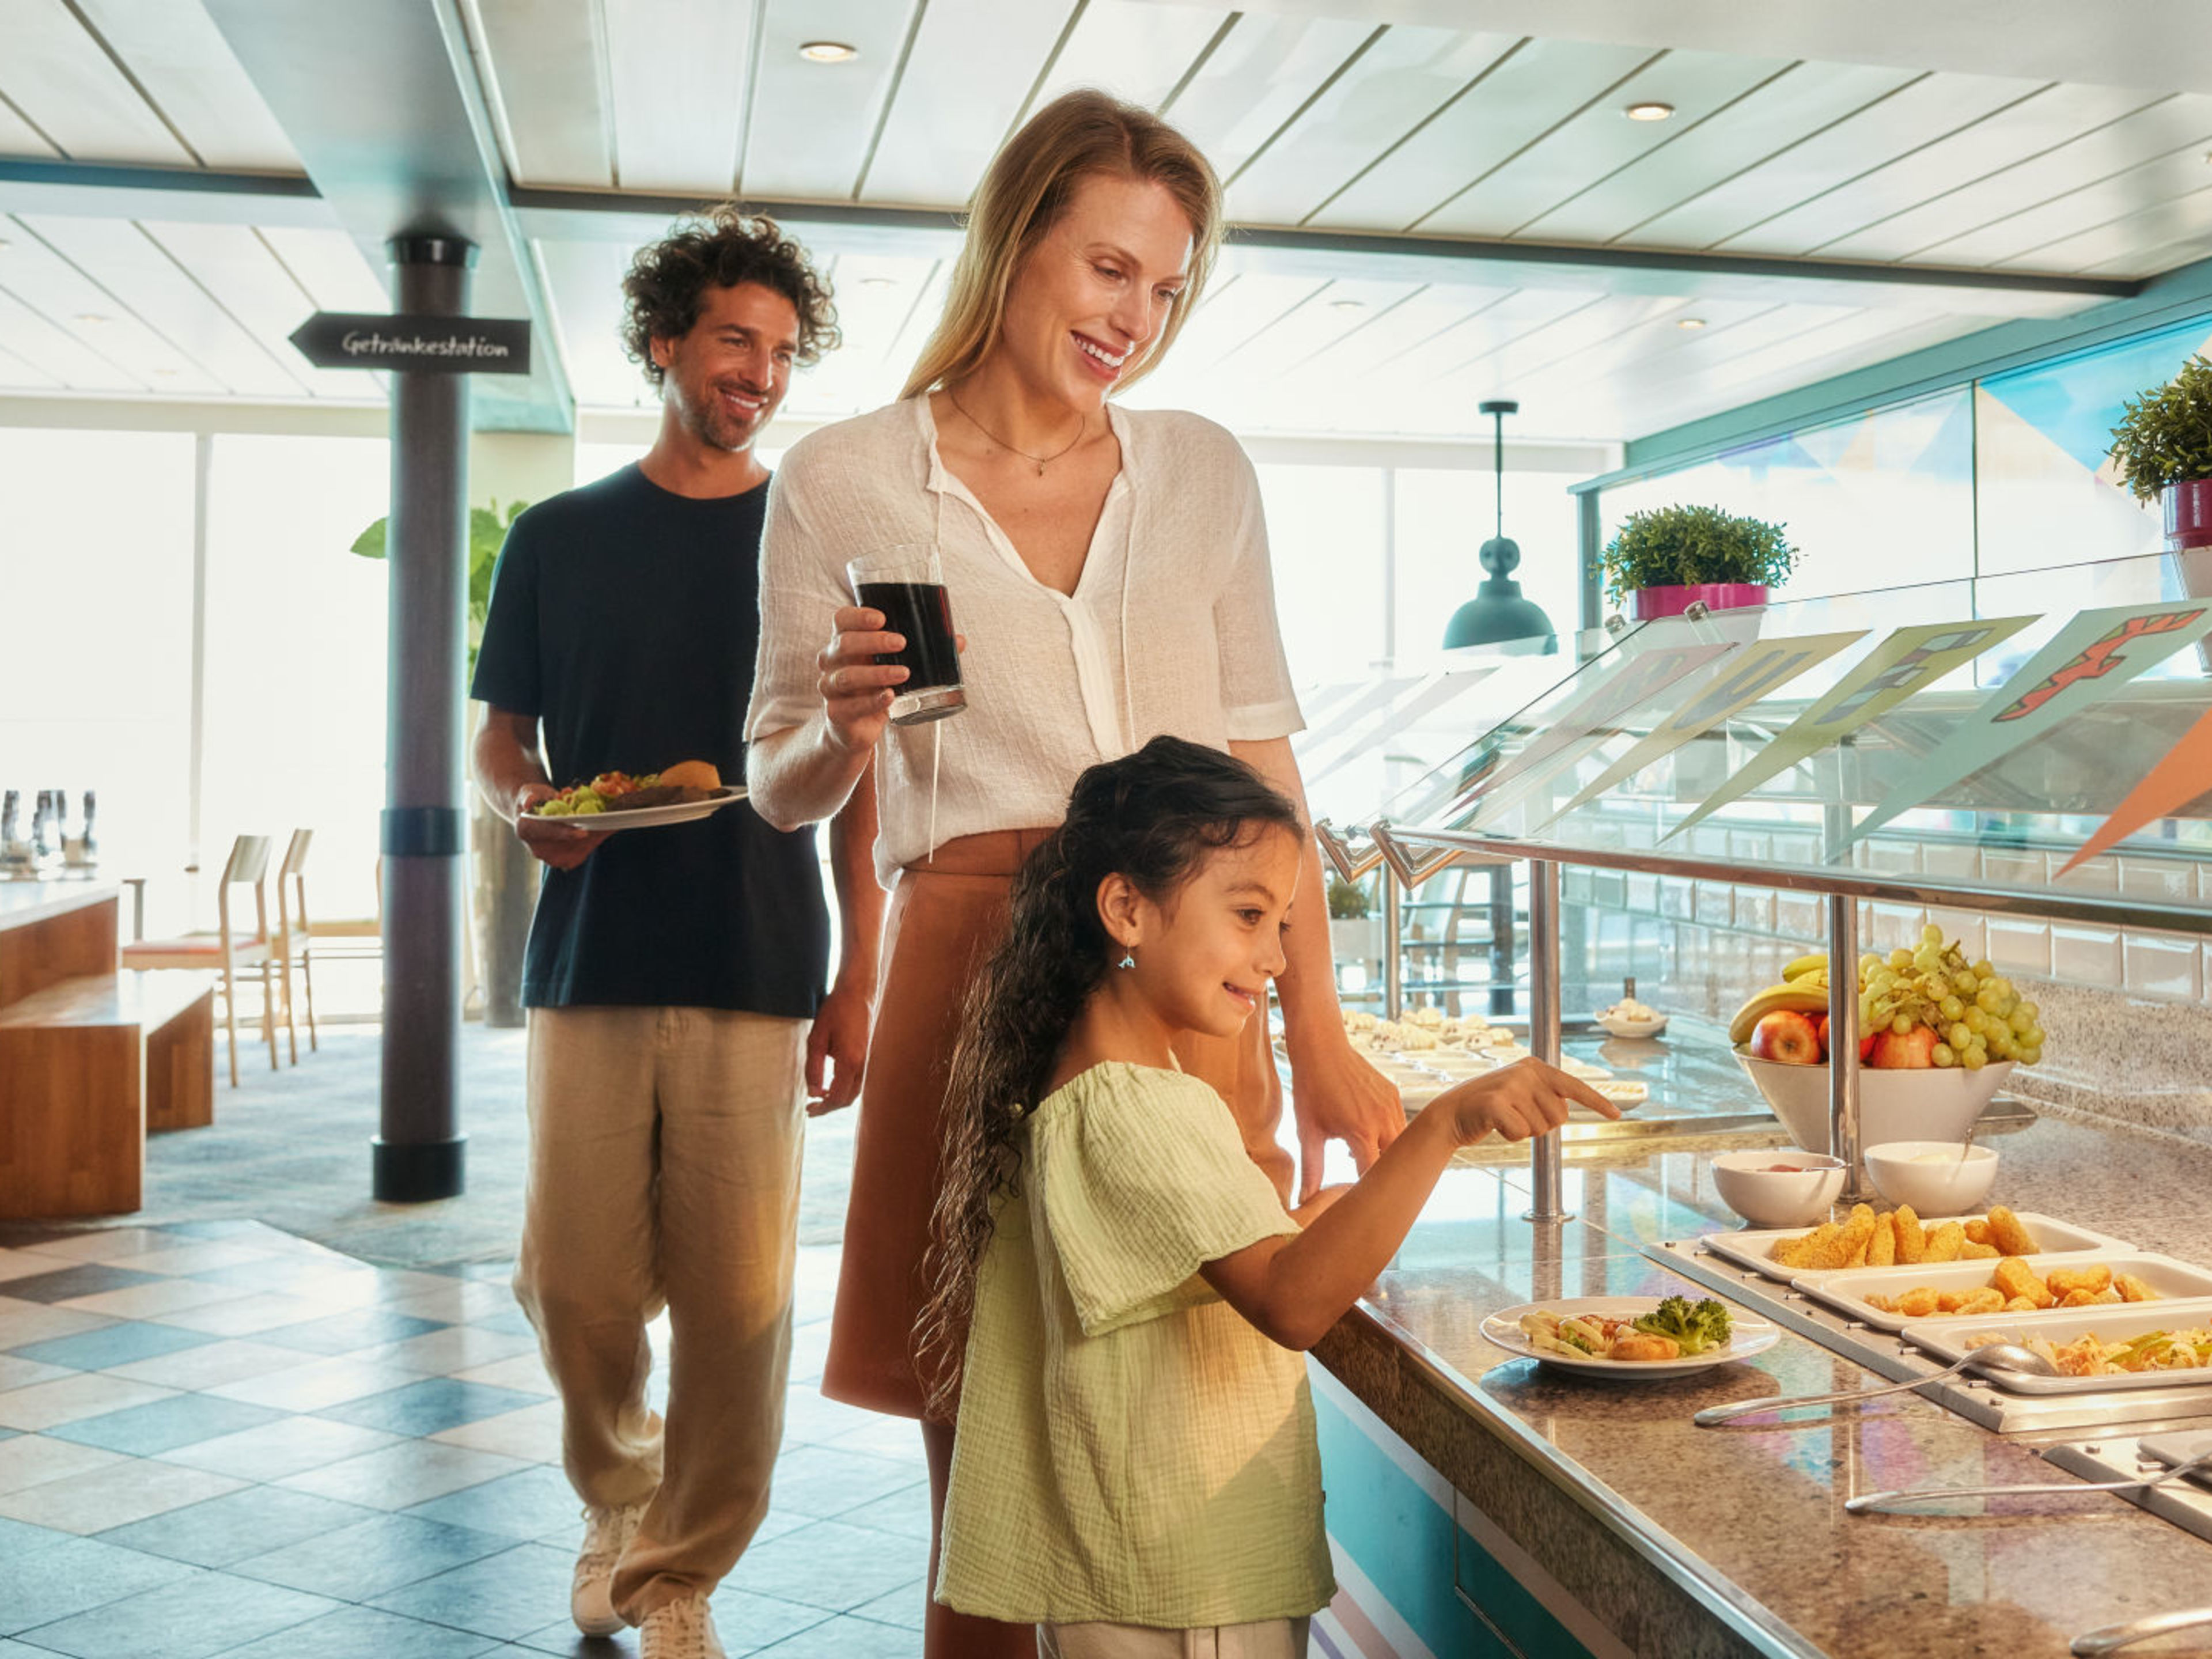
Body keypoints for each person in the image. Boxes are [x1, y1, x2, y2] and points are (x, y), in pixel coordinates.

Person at [744, 89, 1404, 1657]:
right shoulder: (843, 480)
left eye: (1168, 289)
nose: (1138, 319)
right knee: (982, 1432)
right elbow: (777, 781)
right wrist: (841, 732)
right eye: (1111, 270)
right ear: (1017, 237)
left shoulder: (1202, 472)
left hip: (1186, 971)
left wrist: (1314, 1028)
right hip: (972, 961)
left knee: (1189, 1389)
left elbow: (1269, 774)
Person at [920, 737, 1617, 1656]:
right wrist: (1442, 1126)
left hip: (1136, 1577)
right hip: (1184, 1588)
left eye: (1283, 924)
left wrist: (1334, 1210)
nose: (1277, 958)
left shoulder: (1095, 1074)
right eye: (1249, 915)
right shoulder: (1138, 1104)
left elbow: (1202, 1257)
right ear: (1127, 908)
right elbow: (1292, 1299)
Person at [471, 207, 882, 1659]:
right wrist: (529, 807)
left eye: (779, 351)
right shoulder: (557, 539)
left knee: (740, 1303)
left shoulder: (818, 547)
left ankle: (681, 1572)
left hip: (759, 961)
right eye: (731, 341)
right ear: (665, 343)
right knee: (574, 1279)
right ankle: (616, 1497)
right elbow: (501, 741)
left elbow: (860, 789)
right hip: (587, 957)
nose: (757, 373)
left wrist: (858, 986)